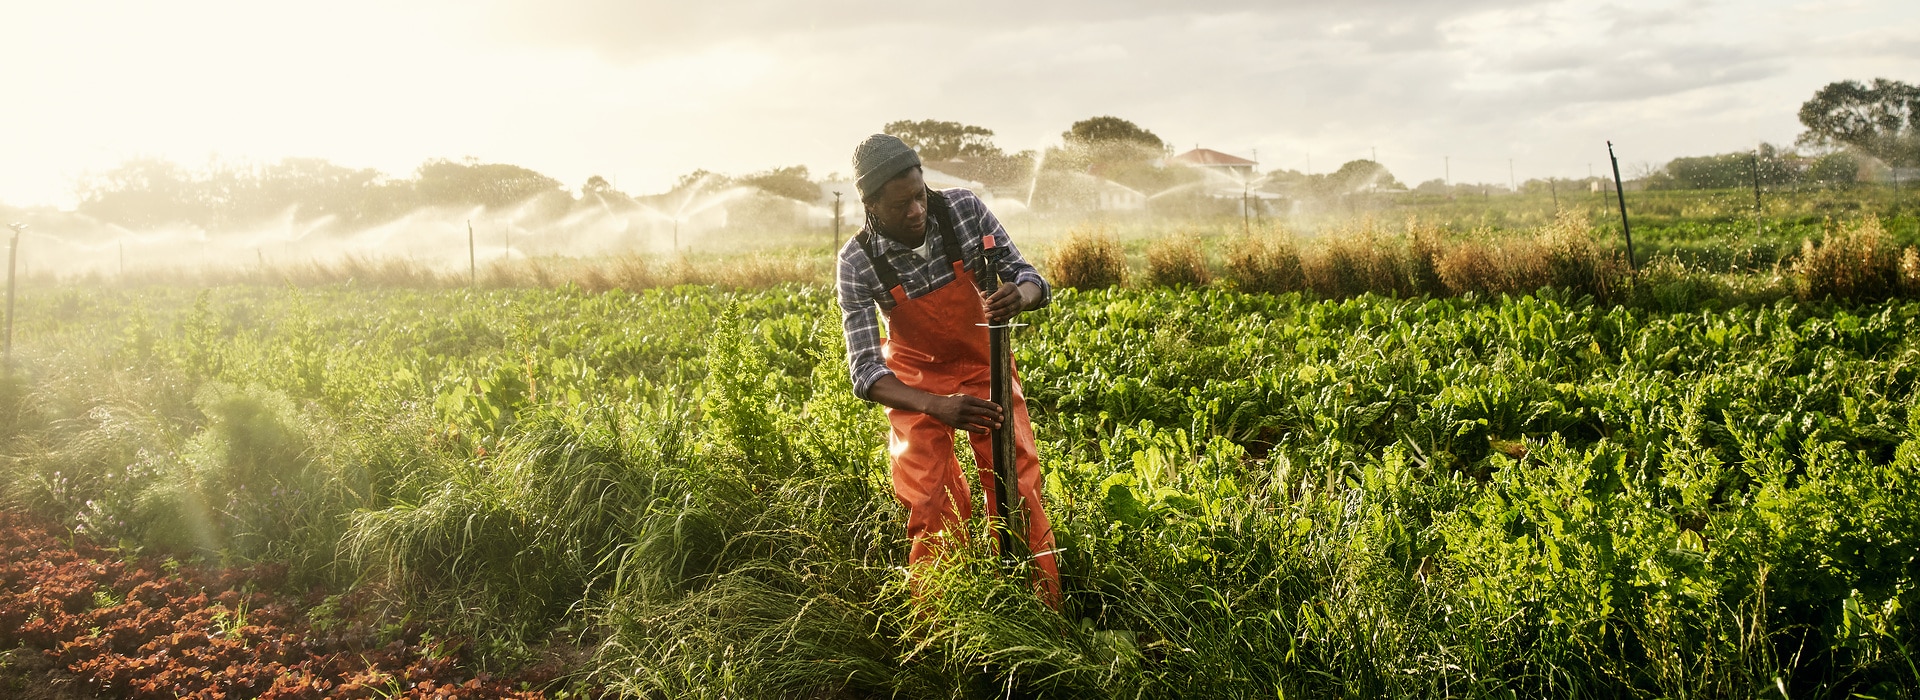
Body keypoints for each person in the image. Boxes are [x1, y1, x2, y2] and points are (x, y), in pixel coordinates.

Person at [836, 134, 1060, 606]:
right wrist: (936, 406)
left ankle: (1041, 611)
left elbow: (1029, 276)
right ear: (871, 205)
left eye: (919, 195)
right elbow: (864, 371)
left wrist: (1021, 296)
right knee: (928, 500)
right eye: (901, 205)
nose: (916, 210)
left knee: (1015, 483)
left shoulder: (962, 209)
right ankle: (945, 624)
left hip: (984, 366)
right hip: (915, 384)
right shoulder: (857, 261)